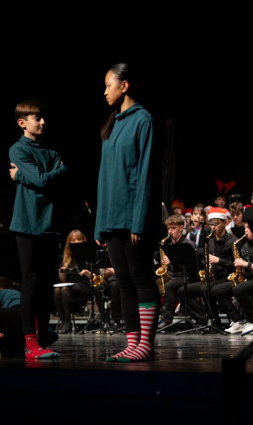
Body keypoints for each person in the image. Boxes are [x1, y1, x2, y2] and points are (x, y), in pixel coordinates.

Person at [94, 63, 161, 362]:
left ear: (125, 86)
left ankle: (146, 344)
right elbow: (104, 177)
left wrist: (139, 221)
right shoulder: (112, 124)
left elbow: (146, 174)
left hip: (133, 216)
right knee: (122, 279)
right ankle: (133, 344)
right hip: (112, 217)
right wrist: (100, 224)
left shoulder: (143, 120)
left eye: (108, 85)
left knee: (140, 276)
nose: (105, 91)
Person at [8, 99, 66, 359]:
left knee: (46, 285)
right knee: (31, 282)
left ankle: (42, 339)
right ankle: (30, 342)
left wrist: (21, 176)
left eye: (44, 118)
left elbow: (53, 179)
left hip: (49, 226)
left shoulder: (51, 151)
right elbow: (42, 181)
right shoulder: (17, 150)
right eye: (37, 118)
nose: (43, 122)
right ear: (22, 123)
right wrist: (51, 174)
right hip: (27, 225)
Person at [178, 207, 237, 330]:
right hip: (214, 278)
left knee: (206, 288)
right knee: (183, 290)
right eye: (211, 224)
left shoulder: (233, 241)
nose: (213, 227)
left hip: (228, 277)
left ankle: (216, 322)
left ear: (225, 223)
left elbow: (236, 265)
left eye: (216, 224)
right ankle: (203, 319)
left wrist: (219, 261)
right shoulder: (210, 241)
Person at [156, 214, 198, 332]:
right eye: (168, 228)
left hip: (187, 277)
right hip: (173, 277)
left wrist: (173, 259)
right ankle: (156, 317)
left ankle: (167, 320)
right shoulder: (168, 245)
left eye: (173, 228)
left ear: (181, 228)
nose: (170, 231)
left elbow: (193, 267)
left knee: (169, 286)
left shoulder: (188, 245)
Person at [53, 229, 92, 334]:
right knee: (57, 289)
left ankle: (67, 322)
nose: (76, 242)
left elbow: (97, 276)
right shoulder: (67, 257)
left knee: (65, 289)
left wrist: (87, 272)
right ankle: (63, 321)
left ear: (83, 240)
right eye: (73, 240)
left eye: (79, 239)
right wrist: (61, 273)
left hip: (85, 285)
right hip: (70, 285)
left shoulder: (88, 254)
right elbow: (63, 280)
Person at [232, 207, 253, 336]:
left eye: (248, 228)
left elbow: (246, 264)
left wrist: (245, 264)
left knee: (239, 289)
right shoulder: (245, 244)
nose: (245, 230)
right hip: (248, 277)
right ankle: (240, 320)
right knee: (217, 290)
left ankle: (251, 320)